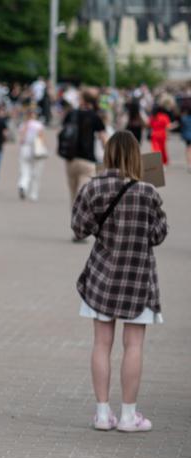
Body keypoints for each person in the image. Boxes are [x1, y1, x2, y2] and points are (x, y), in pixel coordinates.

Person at [72, 131, 167, 433]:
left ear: (109, 154)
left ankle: (102, 413)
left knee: (101, 343)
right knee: (134, 345)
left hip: (102, 275)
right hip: (138, 278)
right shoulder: (149, 192)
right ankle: (128, 416)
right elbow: (159, 234)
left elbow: (78, 228)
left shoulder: (94, 187)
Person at [62, 88, 107, 208]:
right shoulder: (95, 117)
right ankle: (85, 222)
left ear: (82, 100)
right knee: (86, 194)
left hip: (70, 159)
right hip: (87, 160)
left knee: (73, 194)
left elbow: (64, 132)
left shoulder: (71, 114)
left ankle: (75, 221)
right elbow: (104, 140)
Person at [17, 105, 47, 201]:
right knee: (36, 173)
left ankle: (23, 185)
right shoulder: (38, 125)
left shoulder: (23, 125)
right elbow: (41, 139)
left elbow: (21, 139)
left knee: (24, 170)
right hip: (36, 150)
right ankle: (34, 194)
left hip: (25, 149)